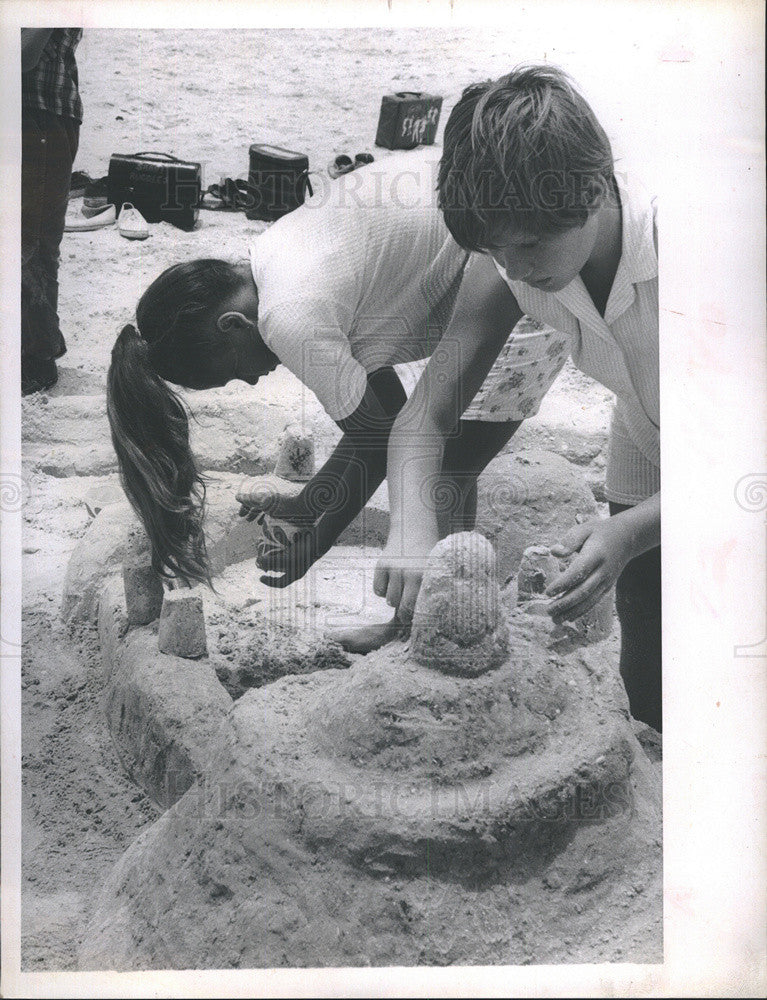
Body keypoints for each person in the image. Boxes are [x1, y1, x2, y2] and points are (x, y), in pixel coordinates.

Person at [106, 153, 571, 651]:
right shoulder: (275, 257)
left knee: (446, 468)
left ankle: (443, 638)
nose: (255, 381)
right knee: (438, 460)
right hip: (494, 241)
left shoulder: (288, 316)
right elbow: (384, 419)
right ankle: (422, 627)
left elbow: (378, 440)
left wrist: (313, 543)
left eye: (235, 374)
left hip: (518, 272)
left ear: (232, 326)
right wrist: (308, 505)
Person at [374, 67, 661, 731]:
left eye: (529, 246)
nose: (518, 268)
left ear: (591, 190)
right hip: (646, 434)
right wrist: (410, 526)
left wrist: (626, 531)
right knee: (646, 638)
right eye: (496, 252)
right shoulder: (513, 251)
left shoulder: (680, 245)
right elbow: (424, 416)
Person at [21, 28, 83, 395]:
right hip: (38, 112)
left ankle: (36, 358)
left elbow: (23, 56)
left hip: (41, 112)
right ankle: (37, 343)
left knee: (30, 243)